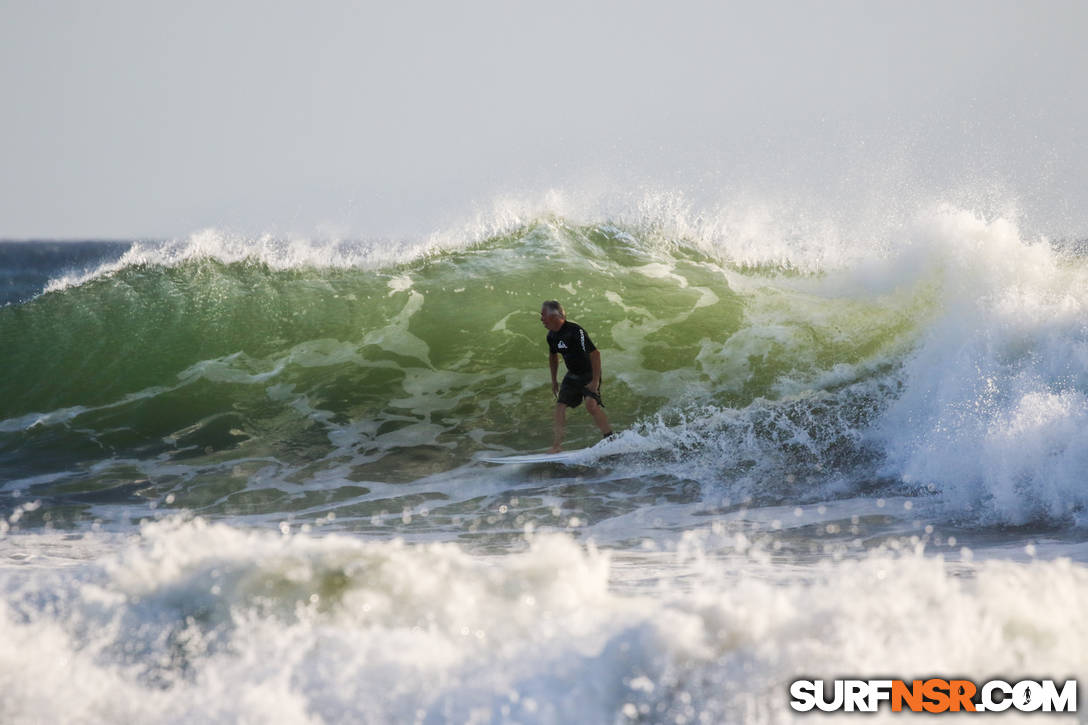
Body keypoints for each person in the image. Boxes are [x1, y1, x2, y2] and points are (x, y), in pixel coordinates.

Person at [540, 300, 613, 452]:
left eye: (543, 314)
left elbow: (595, 354)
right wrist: (554, 380)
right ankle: (557, 445)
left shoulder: (575, 331)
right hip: (572, 375)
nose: (541, 319)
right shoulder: (551, 336)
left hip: (589, 373)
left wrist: (594, 381)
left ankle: (610, 439)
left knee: (591, 405)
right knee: (560, 406)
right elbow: (553, 357)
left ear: (554, 315)